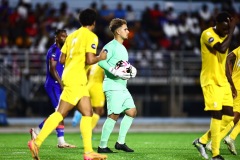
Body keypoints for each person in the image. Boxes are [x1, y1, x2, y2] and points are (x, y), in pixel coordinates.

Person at [27, 8, 108, 160]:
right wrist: (101, 57)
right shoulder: (91, 36)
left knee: (88, 113)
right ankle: (36, 142)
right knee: (61, 113)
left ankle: (89, 152)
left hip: (72, 76)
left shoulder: (71, 36)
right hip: (77, 78)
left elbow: (62, 60)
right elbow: (90, 60)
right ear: (94, 22)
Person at [192, 12, 236, 160]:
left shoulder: (225, 36)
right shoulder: (207, 34)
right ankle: (216, 154)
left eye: (228, 29)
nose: (226, 31)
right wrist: (231, 31)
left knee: (230, 117)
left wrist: (231, 84)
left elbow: (223, 63)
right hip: (210, 81)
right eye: (224, 28)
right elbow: (222, 49)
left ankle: (202, 141)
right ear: (217, 22)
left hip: (222, 81)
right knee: (217, 114)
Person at [29, 29, 75, 148]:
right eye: (62, 36)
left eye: (66, 36)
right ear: (57, 38)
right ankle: (59, 141)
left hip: (59, 84)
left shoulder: (65, 50)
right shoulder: (54, 50)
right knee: (60, 112)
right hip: (53, 85)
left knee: (60, 113)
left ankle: (38, 130)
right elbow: (52, 69)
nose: (65, 38)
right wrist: (61, 83)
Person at [97, 18, 137, 153]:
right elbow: (101, 61)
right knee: (113, 115)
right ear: (118, 31)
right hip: (112, 86)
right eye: (125, 29)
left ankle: (120, 143)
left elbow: (121, 66)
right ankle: (102, 146)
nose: (128, 31)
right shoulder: (110, 46)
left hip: (122, 86)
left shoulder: (122, 47)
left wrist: (128, 70)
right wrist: (113, 70)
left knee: (131, 111)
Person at [72, 63, 105, 131]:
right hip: (97, 88)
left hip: (88, 86)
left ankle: (79, 113)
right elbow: (105, 77)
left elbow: (86, 75)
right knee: (99, 111)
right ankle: (88, 130)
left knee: (91, 109)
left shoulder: (93, 64)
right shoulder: (104, 64)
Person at [223, 46, 240, 155]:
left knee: (231, 116)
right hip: (238, 87)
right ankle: (210, 142)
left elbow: (228, 58)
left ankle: (231, 137)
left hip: (234, 84)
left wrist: (230, 77)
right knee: (234, 116)